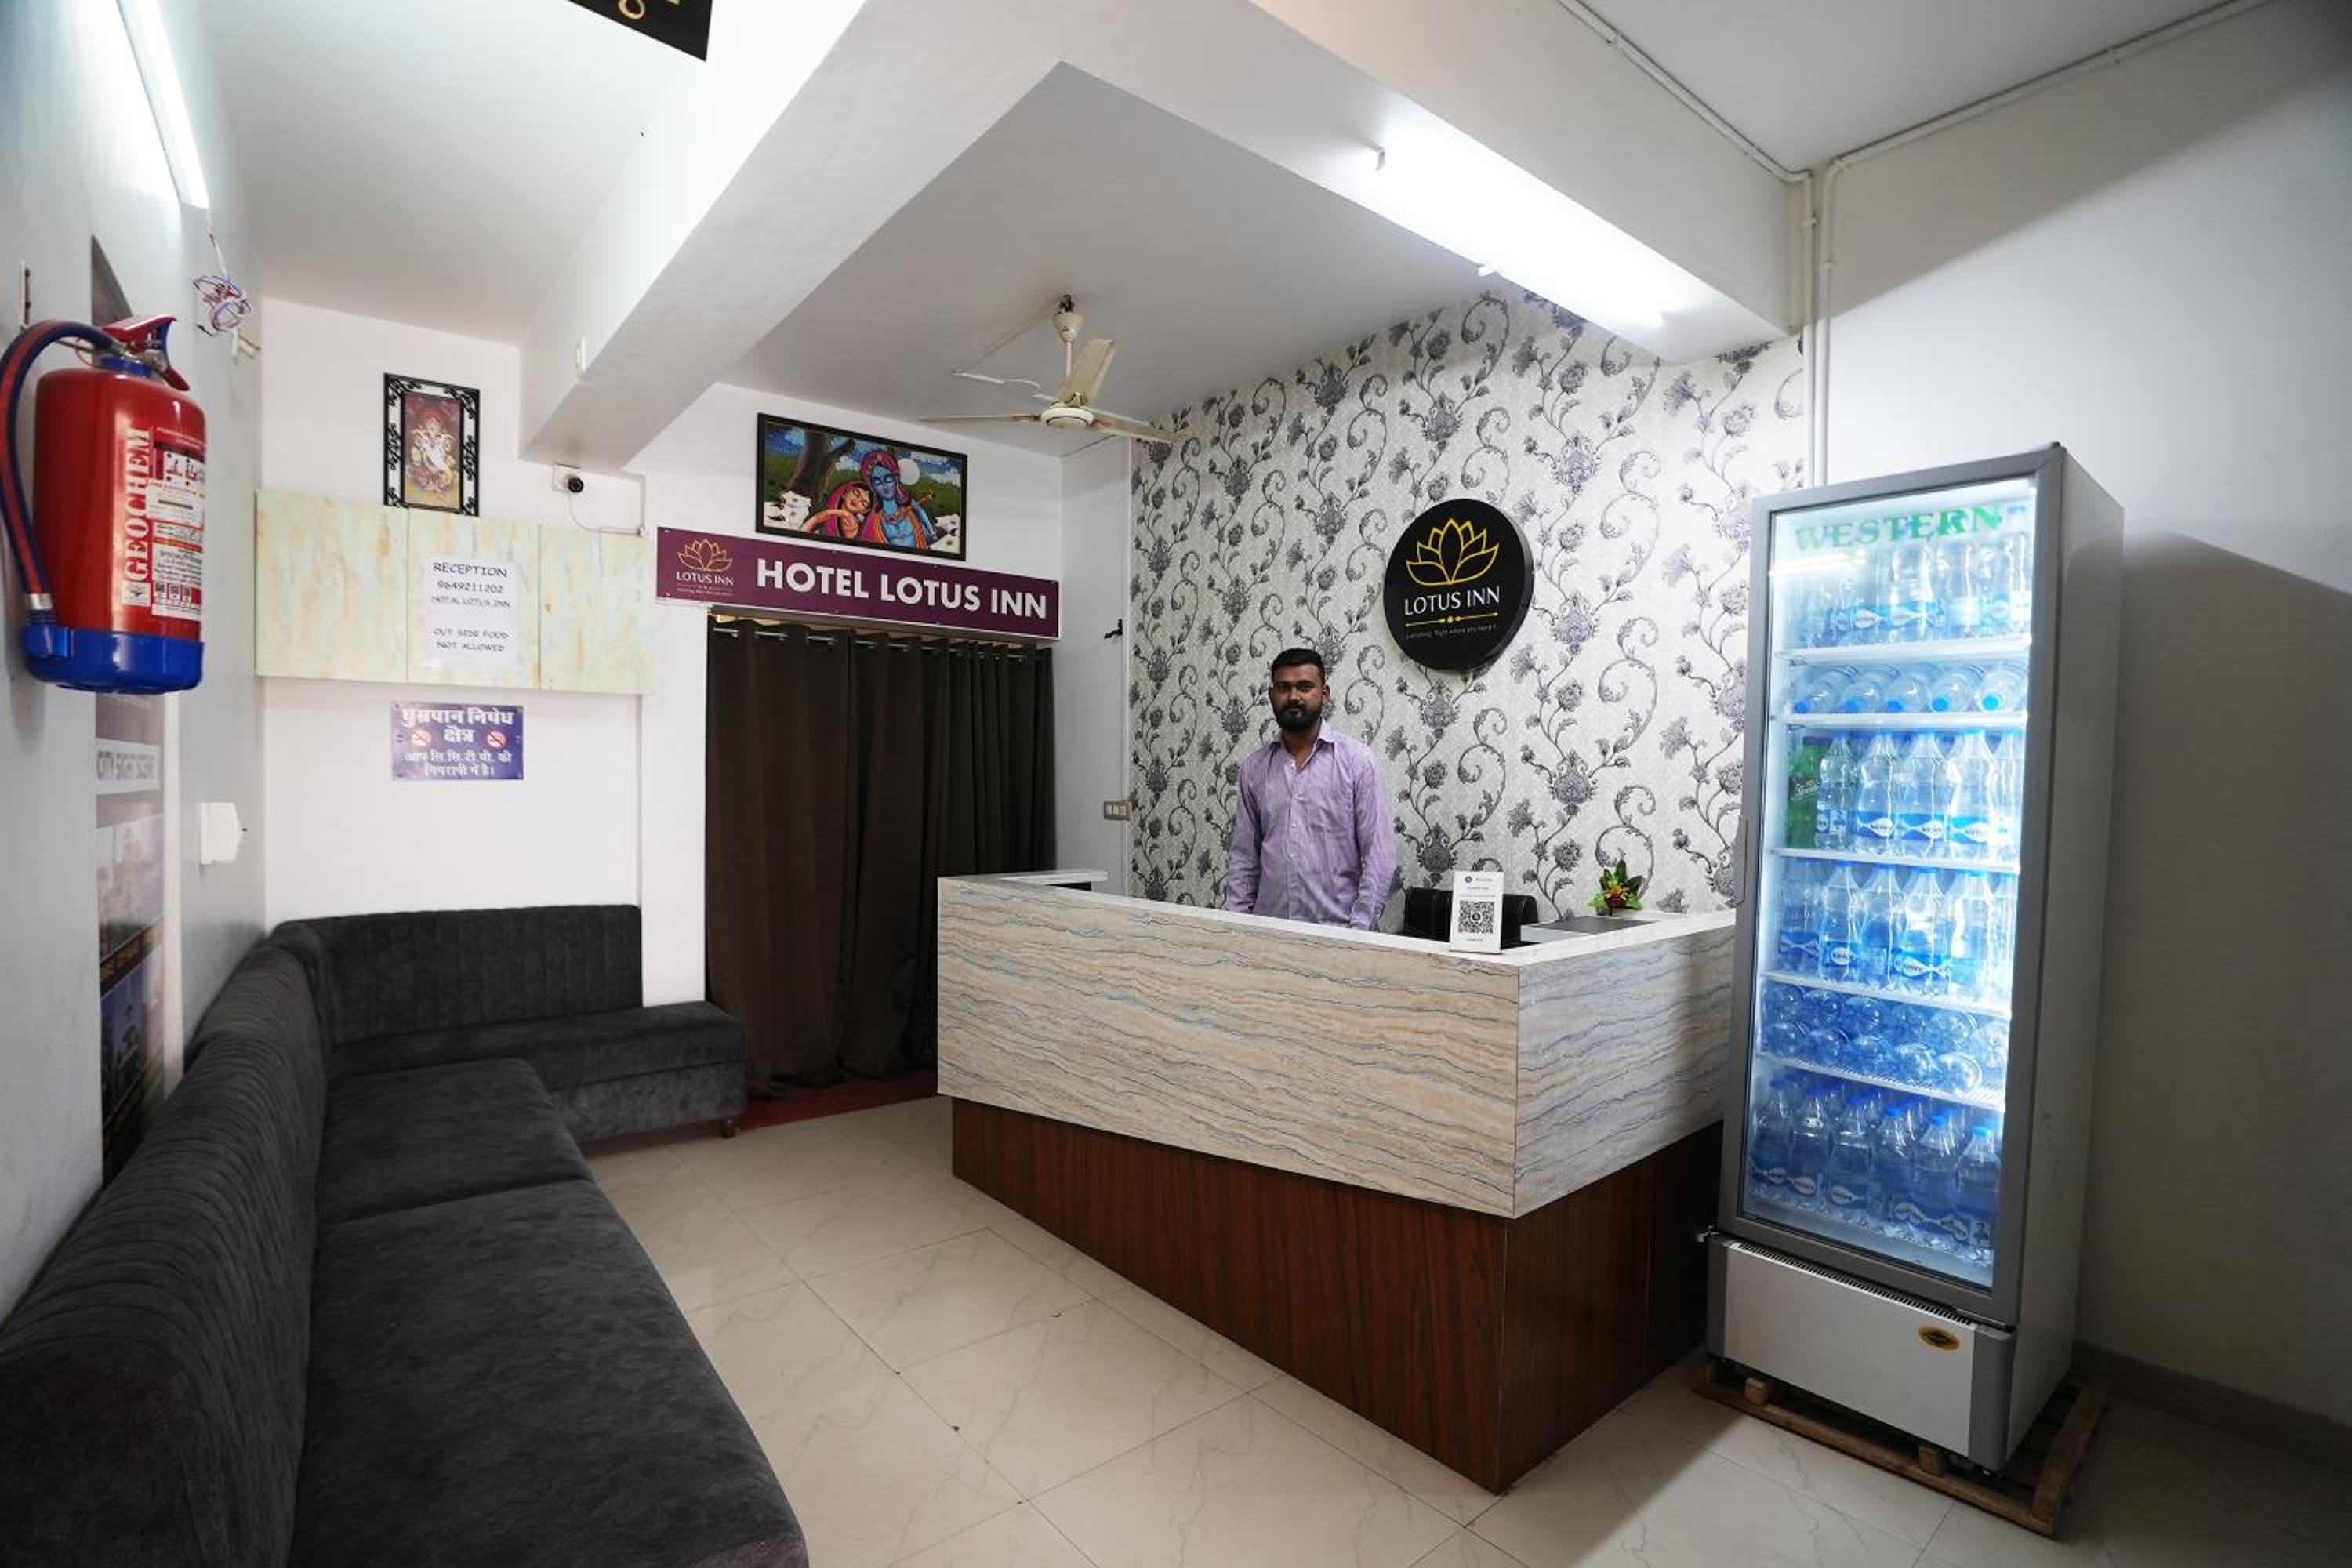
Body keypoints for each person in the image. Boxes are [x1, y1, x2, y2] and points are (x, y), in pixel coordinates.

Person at [1223, 648, 1398, 931]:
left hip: (1338, 936)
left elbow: (1379, 858)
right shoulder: (1254, 768)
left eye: (1305, 687)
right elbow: (1244, 858)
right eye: (1283, 688)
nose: (1293, 696)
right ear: (1271, 696)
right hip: (1268, 933)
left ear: (1324, 694)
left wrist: (1358, 935)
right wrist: (1238, 927)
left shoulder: (1359, 763)